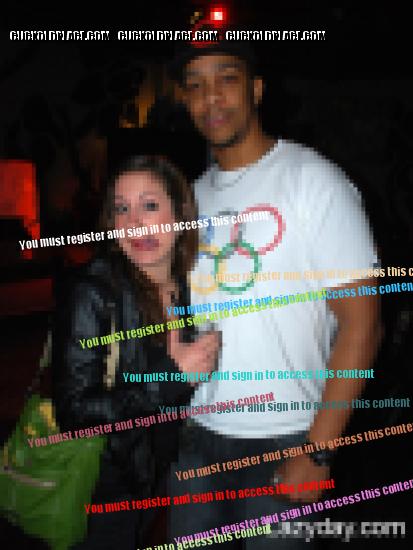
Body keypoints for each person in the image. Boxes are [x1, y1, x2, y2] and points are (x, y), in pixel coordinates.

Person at [167, 42, 381, 548]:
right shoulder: (190, 197)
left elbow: (363, 324)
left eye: (227, 79)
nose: (211, 97)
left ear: (257, 89)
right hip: (198, 438)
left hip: (287, 439)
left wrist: (319, 450)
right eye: (195, 86)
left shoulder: (313, 181)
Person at [52, 155, 220, 549]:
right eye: (121, 209)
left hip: (154, 473)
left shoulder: (188, 285)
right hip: (103, 482)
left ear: (180, 214)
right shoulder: (95, 293)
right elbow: (73, 412)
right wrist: (169, 380)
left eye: (149, 205)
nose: (134, 223)